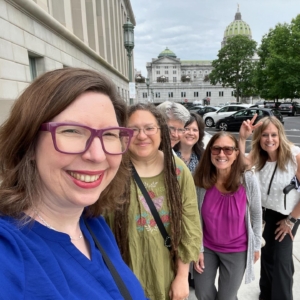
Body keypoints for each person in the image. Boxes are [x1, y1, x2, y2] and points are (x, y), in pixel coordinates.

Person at [0, 68, 148, 299]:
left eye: (109, 134)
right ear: (28, 144)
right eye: (71, 131)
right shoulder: (8, 252)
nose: (97, 155)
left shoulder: (92, 222)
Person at [107, 103, 202, 300]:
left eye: (149, 128)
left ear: (161, 131)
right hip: (121, 275)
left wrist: (183, 276)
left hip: (165, 275)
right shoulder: (112, 169)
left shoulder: (178, 170)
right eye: (133, 129)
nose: (142, 136)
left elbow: (190, 224)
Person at [193, 132, 262, 300]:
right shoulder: (201, 180)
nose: (221, 154)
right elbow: (194, 216)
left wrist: (256, 244)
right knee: (202, 293)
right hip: (207, 247)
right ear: (210, 152)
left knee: (227, 297)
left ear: (236, 153)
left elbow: (256, 214)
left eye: (228, 149)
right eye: (216, 149)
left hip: (237, 249)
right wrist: (197, 248)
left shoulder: (248, 179)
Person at [239, 115, 300, 300]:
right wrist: (242, 138)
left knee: (281, 260)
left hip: (287, 216)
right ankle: (266, 293)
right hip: (264, 215)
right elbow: (240, 165)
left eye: (274, 134)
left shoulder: (294, 156)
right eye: (265, 135)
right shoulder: (258, 156)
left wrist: (291, 220)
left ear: (281, 135)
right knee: (266, 255)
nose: (270, 139)